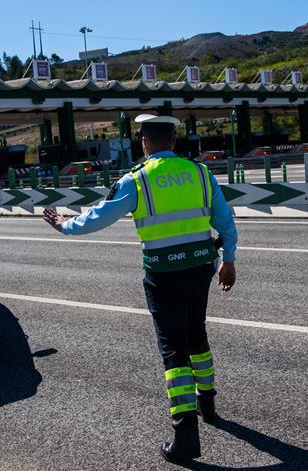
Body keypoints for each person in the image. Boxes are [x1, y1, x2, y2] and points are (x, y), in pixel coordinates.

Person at [42, 114, 238, 464]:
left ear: (144, 143)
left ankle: (185, 437)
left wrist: (64, 225)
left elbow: (101, 215)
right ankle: (208, 406)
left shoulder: (138, 179)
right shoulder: (201, 174)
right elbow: (224, 221)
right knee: (198, 335)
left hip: (164, 275)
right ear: (175, 142)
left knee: (173, 351)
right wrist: (230, 259)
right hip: (200, 269)